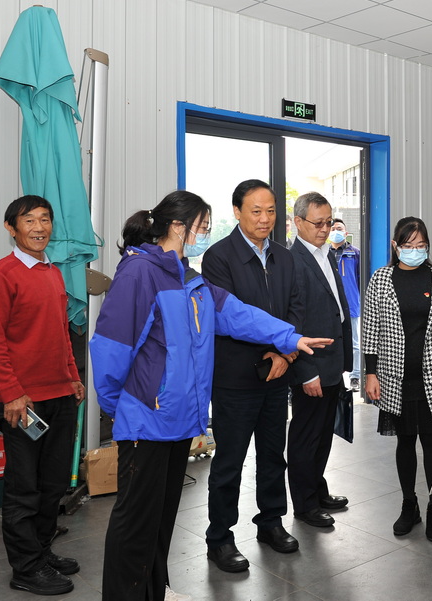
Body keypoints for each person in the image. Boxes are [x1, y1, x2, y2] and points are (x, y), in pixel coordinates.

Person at [90, 190, 331, 601]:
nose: (205, 234)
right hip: (147, 420)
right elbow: (111, 350)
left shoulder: (188, 278)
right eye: (201, 227)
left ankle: (152, 592)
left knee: (160, 520)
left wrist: (290, 337)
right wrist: (125, 407)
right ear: (177, 226)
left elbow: (237, 314)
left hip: (178, 421)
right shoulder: (140, 274)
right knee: (135, 524)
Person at [0, 195, 84, 596]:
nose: (39, 227)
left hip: (60, 396)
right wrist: (11, 394)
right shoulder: (0, 276)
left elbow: (60, 333)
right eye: (29, 220)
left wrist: (73, 376)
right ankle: (25, 569)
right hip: (23, 403)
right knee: (24, 488)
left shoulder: (52, 273)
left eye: (45, 219)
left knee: (53, 484)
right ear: (11, 228)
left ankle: (40, 552)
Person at [203, 180, 304, 571]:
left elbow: (296, 308)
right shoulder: (218, 257)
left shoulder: (285, 257)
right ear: (237, 212)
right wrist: (274, 349)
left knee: (273, 456)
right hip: (235, 380)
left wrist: (284, 354)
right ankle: (220, 537)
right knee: (229, 461)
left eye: (271, 211)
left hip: (277, 376)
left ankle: (271, 522)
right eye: (256, 211)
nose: (265, 219)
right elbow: (229, 318)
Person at [362, 217, 432, 541]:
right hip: (394, 377)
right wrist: (370, 373)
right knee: (405, 440)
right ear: (396, 246)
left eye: (421, 246)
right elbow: (370, 328)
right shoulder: (381, 279)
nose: (415, 251)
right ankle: (410, 505)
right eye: (408, 246)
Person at [287, 192, 353, 528]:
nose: (325, 229)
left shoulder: (326, 254)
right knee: (306, 436)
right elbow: (292, 323)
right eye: (318, 223)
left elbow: (337, 307)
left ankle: (317, 489)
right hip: (311, 365)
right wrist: (306, 371)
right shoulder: (292, 261)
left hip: (331, 362)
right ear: (298, 222)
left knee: (324, 433)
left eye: (328, 222)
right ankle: (304, 504)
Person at [329, 218, 362, 393]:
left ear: (346, 233)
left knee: (354, 342)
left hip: (351, 304)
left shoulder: (354, 253)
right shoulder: (324, 253)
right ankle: (335, 377)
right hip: (330, 306)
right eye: (333, 228)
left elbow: (360, 279)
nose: (336, 231)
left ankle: (355, 376)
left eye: (339, 228)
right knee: (331, 341)